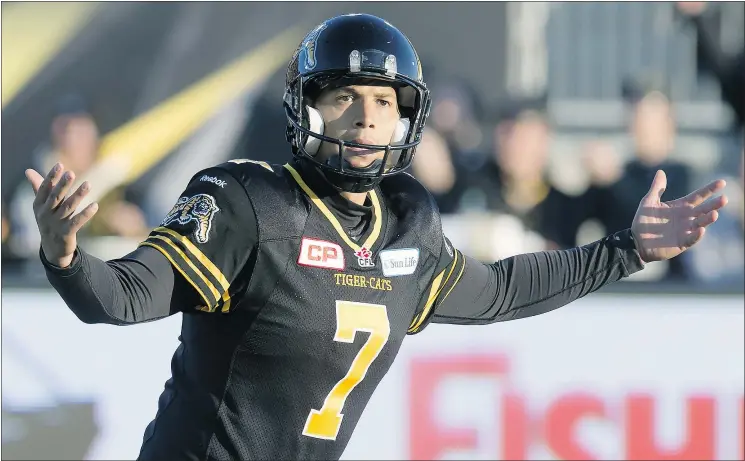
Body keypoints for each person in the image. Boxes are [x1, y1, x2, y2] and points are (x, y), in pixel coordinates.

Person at [25, 14, 728, 461]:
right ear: (306, 106)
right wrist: (65, 254)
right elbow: (121, 298)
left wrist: (626, 249)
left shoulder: (407, 225)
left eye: (384, 101)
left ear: (407, 119)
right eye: (343, 96)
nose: (365, 116)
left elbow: (504, 287)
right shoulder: (248, 201)